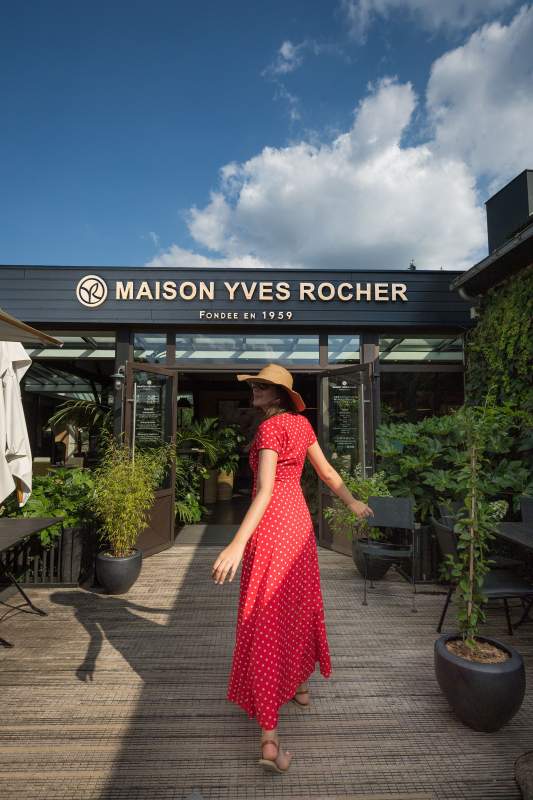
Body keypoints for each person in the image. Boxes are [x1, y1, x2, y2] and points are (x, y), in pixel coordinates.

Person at [211, 363, 373, 773]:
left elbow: (264, 490)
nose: (255, 392)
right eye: (255, 386)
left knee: (265, 616)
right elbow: (328, 473)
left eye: (262, 387)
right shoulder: (302, 427)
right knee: (297, 606)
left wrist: (235, 543)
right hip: (298, 527)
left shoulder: (269, 429)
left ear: (278, 394)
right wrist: (351, 501)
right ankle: (299, 686)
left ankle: (269, 738)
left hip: (271, 529)